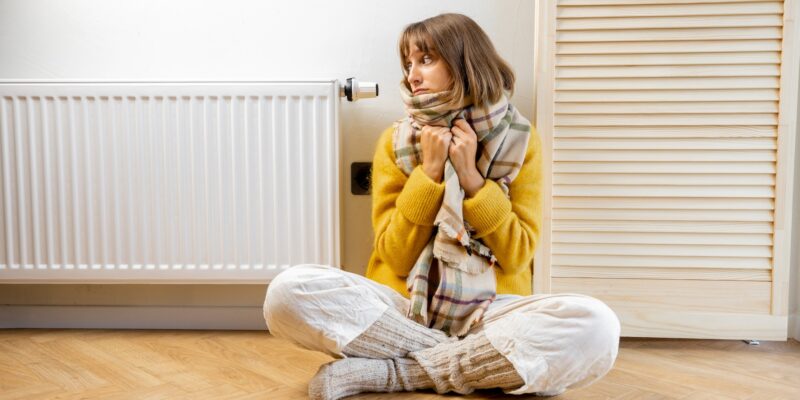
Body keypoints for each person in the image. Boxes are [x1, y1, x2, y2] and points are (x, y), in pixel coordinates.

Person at [263, 13, 620, 400]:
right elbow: (395, 257)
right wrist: (429, 173)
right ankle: (474, 366)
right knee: (287, 293)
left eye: (426, 59)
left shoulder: (520, 141)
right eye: (408, 64)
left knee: (595, 325)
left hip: (490, 312)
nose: (412, 75)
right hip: (401, 310)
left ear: (466, 62)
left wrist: (472, 179)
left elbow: (517, 256)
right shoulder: (395, 142)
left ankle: (397, 373)